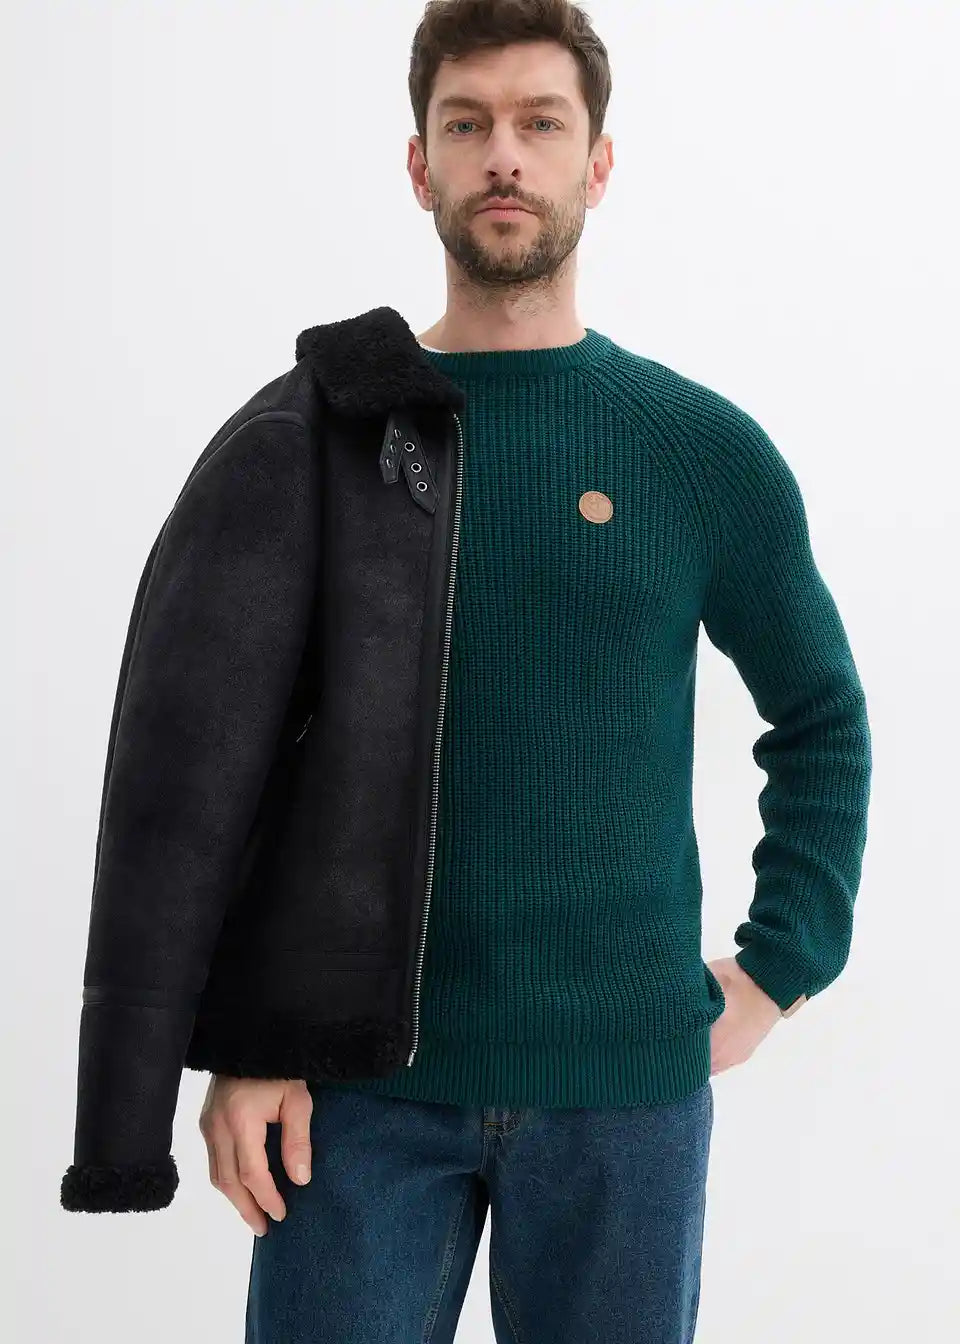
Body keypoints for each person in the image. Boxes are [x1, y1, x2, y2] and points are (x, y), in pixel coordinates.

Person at [61, 3, 872, 1342]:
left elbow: (822, 715)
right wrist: (250, 1039)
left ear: (596, 164)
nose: (505, 154)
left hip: (623, 1093)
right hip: (353, 1096)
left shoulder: (697, 451)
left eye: (541, 124)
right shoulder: (329, 438)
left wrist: (782, 964)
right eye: (468, 124)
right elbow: (224, 761)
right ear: (419, 163)